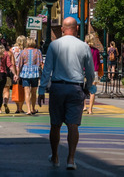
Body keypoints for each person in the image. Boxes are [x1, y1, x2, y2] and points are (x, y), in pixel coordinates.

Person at [38, 17, 96, 170]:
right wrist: (88, 87)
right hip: (75, 88)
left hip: (57, 87)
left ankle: (55, 156)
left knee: (55, 124)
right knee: (73, 124)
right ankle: (71, 159)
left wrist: (41, 89)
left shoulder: (54, 45)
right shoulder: (84, 46)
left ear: (62, 29)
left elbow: (47, 69)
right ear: (76, 28)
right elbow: (90, 72)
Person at [17, 38, 43, 115]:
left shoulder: (23, 52)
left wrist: (17, 75)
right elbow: (41, 63)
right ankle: (33, 108)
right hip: (35, 73)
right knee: (34, 92)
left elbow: (19, 65)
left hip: (25, 73)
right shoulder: (38, 51)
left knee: (27, 92)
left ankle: (28, 109)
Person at [84, 34, 100, 115]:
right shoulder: (96, 51)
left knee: (83, 89)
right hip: (94, 72)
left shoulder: (83, 50)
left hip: (84, 71)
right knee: (92, 91)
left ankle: (84, 106)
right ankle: (90, 109)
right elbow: (98, 62)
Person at [10, 36, 27, 113]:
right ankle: (20, 107)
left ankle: (17, 107)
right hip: (23, 71)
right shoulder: (25, 50)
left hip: (14, 70)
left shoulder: (12, 49)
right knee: (23, 89)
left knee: (16, 88)